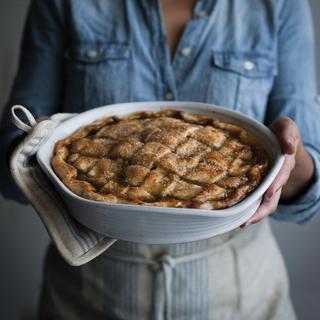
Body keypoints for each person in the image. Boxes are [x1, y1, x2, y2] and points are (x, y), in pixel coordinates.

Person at [1, 0, 320, 319]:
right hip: (90, 297)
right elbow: (11, 172)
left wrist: (289, 156)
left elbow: (309, 200)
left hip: (240, 298)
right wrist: (36, 148)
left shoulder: (280, 6)